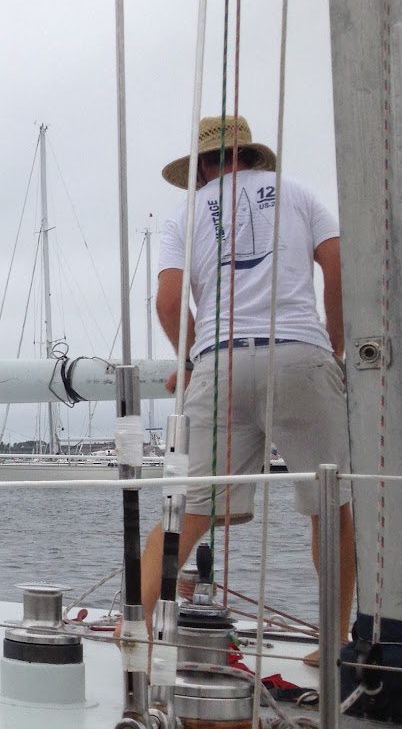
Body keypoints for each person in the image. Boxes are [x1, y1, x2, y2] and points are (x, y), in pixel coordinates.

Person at [140, 116, 355, 668]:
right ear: (253, 157)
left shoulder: (184, 214)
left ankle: (142, 635)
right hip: (300, 354)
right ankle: (332, 641)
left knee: (184, 513)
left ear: (204, 167)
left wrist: (190, 361)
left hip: (221, 362)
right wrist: (334, 337)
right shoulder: (300, 194)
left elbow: (168, 303)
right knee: (330, 507)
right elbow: (335, 262)